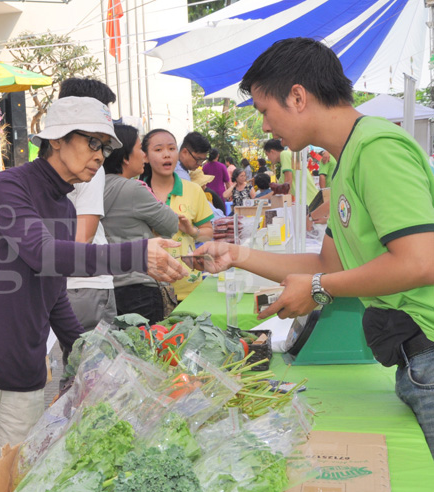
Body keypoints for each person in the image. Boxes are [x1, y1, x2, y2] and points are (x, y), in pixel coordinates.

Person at [0, 97, 186, 491]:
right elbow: (41, 252)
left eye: (106, 147)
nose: (100, 155)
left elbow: (52, 288)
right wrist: (136, 254)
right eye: (93, 142)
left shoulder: (65, 208)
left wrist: (80, 350)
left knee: (22, 482)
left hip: (24, 373)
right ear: (58, 140)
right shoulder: (9, 186)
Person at [194, 37, 434, 457]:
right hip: (414, 361)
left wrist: (320, 288)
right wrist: (238, 256)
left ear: (298, 97)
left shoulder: (377, 149)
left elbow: (420, 261)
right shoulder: (346, 162)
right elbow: (326, 262)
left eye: (264, 111)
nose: (265, 126)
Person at [57, 77, 118, 378]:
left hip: (63, 288)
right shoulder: (92, 166)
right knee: (96, 378)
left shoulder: (55, 162)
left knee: (76, 372)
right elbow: (84, 238)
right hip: (88, 288)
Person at [102, 124, 181, 323]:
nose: (144, 156)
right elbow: (171, 224)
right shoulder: (133, 189)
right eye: (139, 149)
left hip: (107, 289)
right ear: (125, 157)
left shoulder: (93, 187)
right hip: (140, 287)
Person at [142, 128, 214, 301]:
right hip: (148, 289)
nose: (166, 155)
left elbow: (208, 234)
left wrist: (192, 230)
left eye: (171, 149)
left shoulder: (194, 190)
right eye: (158, 150)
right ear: (145, 156)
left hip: (189, 287)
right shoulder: (137, 192)